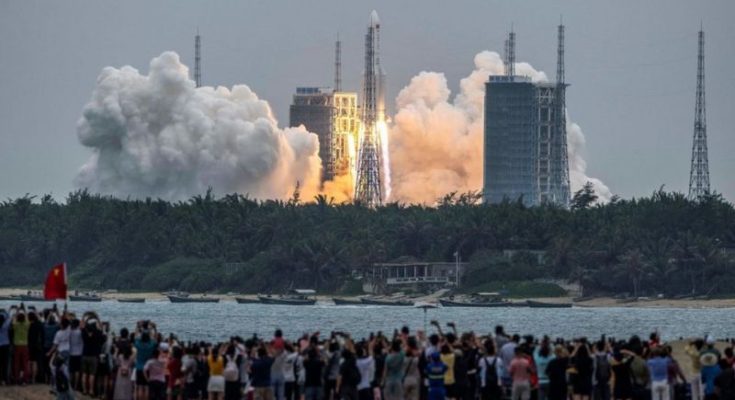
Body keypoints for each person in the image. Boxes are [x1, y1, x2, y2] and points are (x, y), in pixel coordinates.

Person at [81, 317, 105, 396]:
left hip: (85, 355)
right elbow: (102, 334)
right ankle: (91, 390)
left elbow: (82, 326)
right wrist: (99, 321)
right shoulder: (98, 333)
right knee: (92, 375)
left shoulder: (84, 333)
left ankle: (84, 390)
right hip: (93, 356)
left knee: (84, 374)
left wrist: (86, 320)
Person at [134, 328, 158, 400]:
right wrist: (154, 329)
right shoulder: (151, 344)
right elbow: (155, 340)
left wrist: (138, 327)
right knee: (147, 388)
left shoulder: (138, 344)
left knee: (140, 387)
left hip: (139, 367)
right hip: (148, 368)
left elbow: (135, 338)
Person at [12, 308, 31, 384]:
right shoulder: (26, 325)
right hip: (25, 345)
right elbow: (27, 320)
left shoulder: (16, 325)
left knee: (16, 363)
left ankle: (16, 379)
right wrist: (25, 311)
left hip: (17, 345)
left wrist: (17, 312)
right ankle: (25, 380)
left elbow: (13, 320)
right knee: (25, 363)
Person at [27, 311, 44, 384]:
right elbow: (41, 321)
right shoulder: (39, 324)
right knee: (35, 363)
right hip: (37, 345)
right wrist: (36, 312)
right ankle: (34, 379)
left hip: (29, 345)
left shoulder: (28, 325)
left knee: (29, 362)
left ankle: (29, 378)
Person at [68, 319, 84, 390]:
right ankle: (76, 385)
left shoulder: (70, 332)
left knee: (71, 370)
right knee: (77, 371)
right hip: (79, 353)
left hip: (71, 353)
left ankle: (70, 384)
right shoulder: (80, 332)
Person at [0, 309, 11, 385]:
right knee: (5, 363)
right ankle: (4, 379)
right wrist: (6, 311)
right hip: (5, 345)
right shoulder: (5, 325)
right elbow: (9, 318)